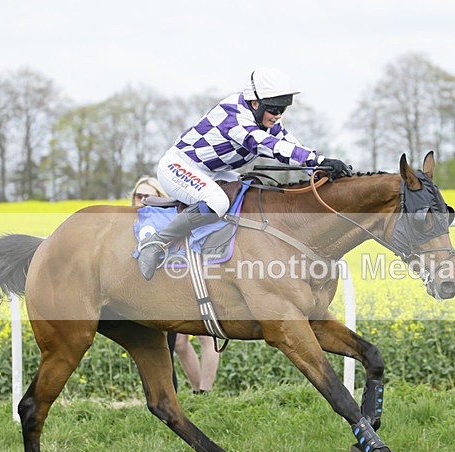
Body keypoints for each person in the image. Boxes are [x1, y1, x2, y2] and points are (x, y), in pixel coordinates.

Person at [136, 66, 353, 280]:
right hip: (178, 167)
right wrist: (316, 159)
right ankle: (155, 243)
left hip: (213, 172)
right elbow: (267, 145)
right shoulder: (234, 114)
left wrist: (319, 167)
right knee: (218, 202)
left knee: (250, 194)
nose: (278, 115)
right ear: (255, 103)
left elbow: (289, 144)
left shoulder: (267, 120)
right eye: (274, 109)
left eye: (283, 109)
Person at [131, 177, 220, 394]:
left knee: (206, 339)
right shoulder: (136, 223)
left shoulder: (171, 218)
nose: (143, 200)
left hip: (193, 279)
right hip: (172, 288)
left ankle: (205, 392)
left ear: (161, 199)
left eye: (149, 196)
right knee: (180, 344)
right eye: (139, 196)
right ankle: (198, 391)